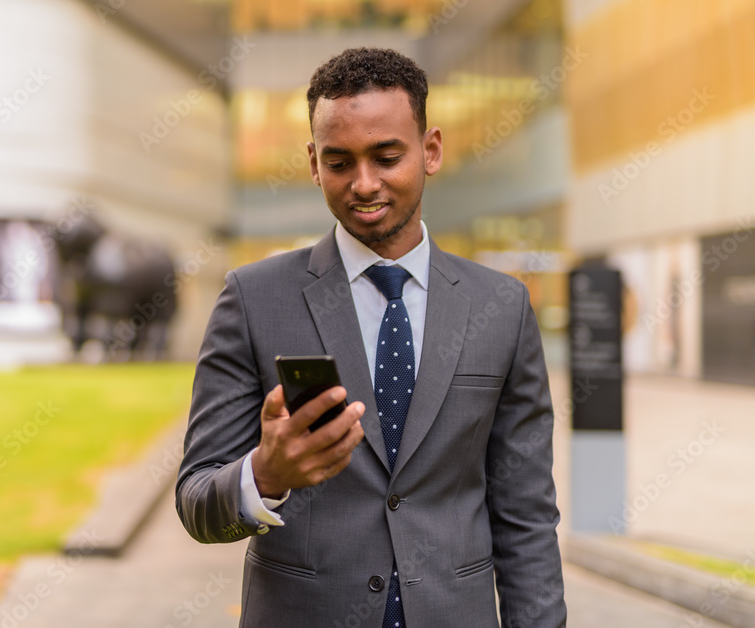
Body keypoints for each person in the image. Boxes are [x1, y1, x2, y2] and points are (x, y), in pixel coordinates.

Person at [176, 47, 565, 627]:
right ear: (312, 162)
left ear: (430, 150)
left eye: (386, 157)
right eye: (339, 162)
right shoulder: (254, 300)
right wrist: (265, 475)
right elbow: (197, 503)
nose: (364, 184)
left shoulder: (502, 306)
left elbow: (526, 517)